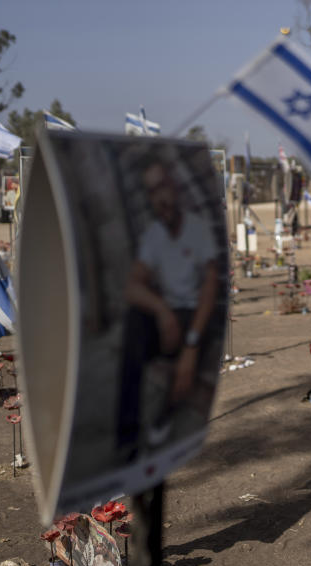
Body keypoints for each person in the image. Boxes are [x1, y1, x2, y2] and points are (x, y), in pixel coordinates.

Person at [118, 161, 220, 459]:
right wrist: (162, 311)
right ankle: (129, 432)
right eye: (152, 192)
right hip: (170, 313)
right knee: (133, 325)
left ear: (175, 189)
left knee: (185, 362)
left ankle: (164, 419)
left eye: (162, 187)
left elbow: (210, 289)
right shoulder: (154, 234)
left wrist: (191, 344)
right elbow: (132, 286)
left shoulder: (197, 230)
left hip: (197, 314)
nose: (159, 198)